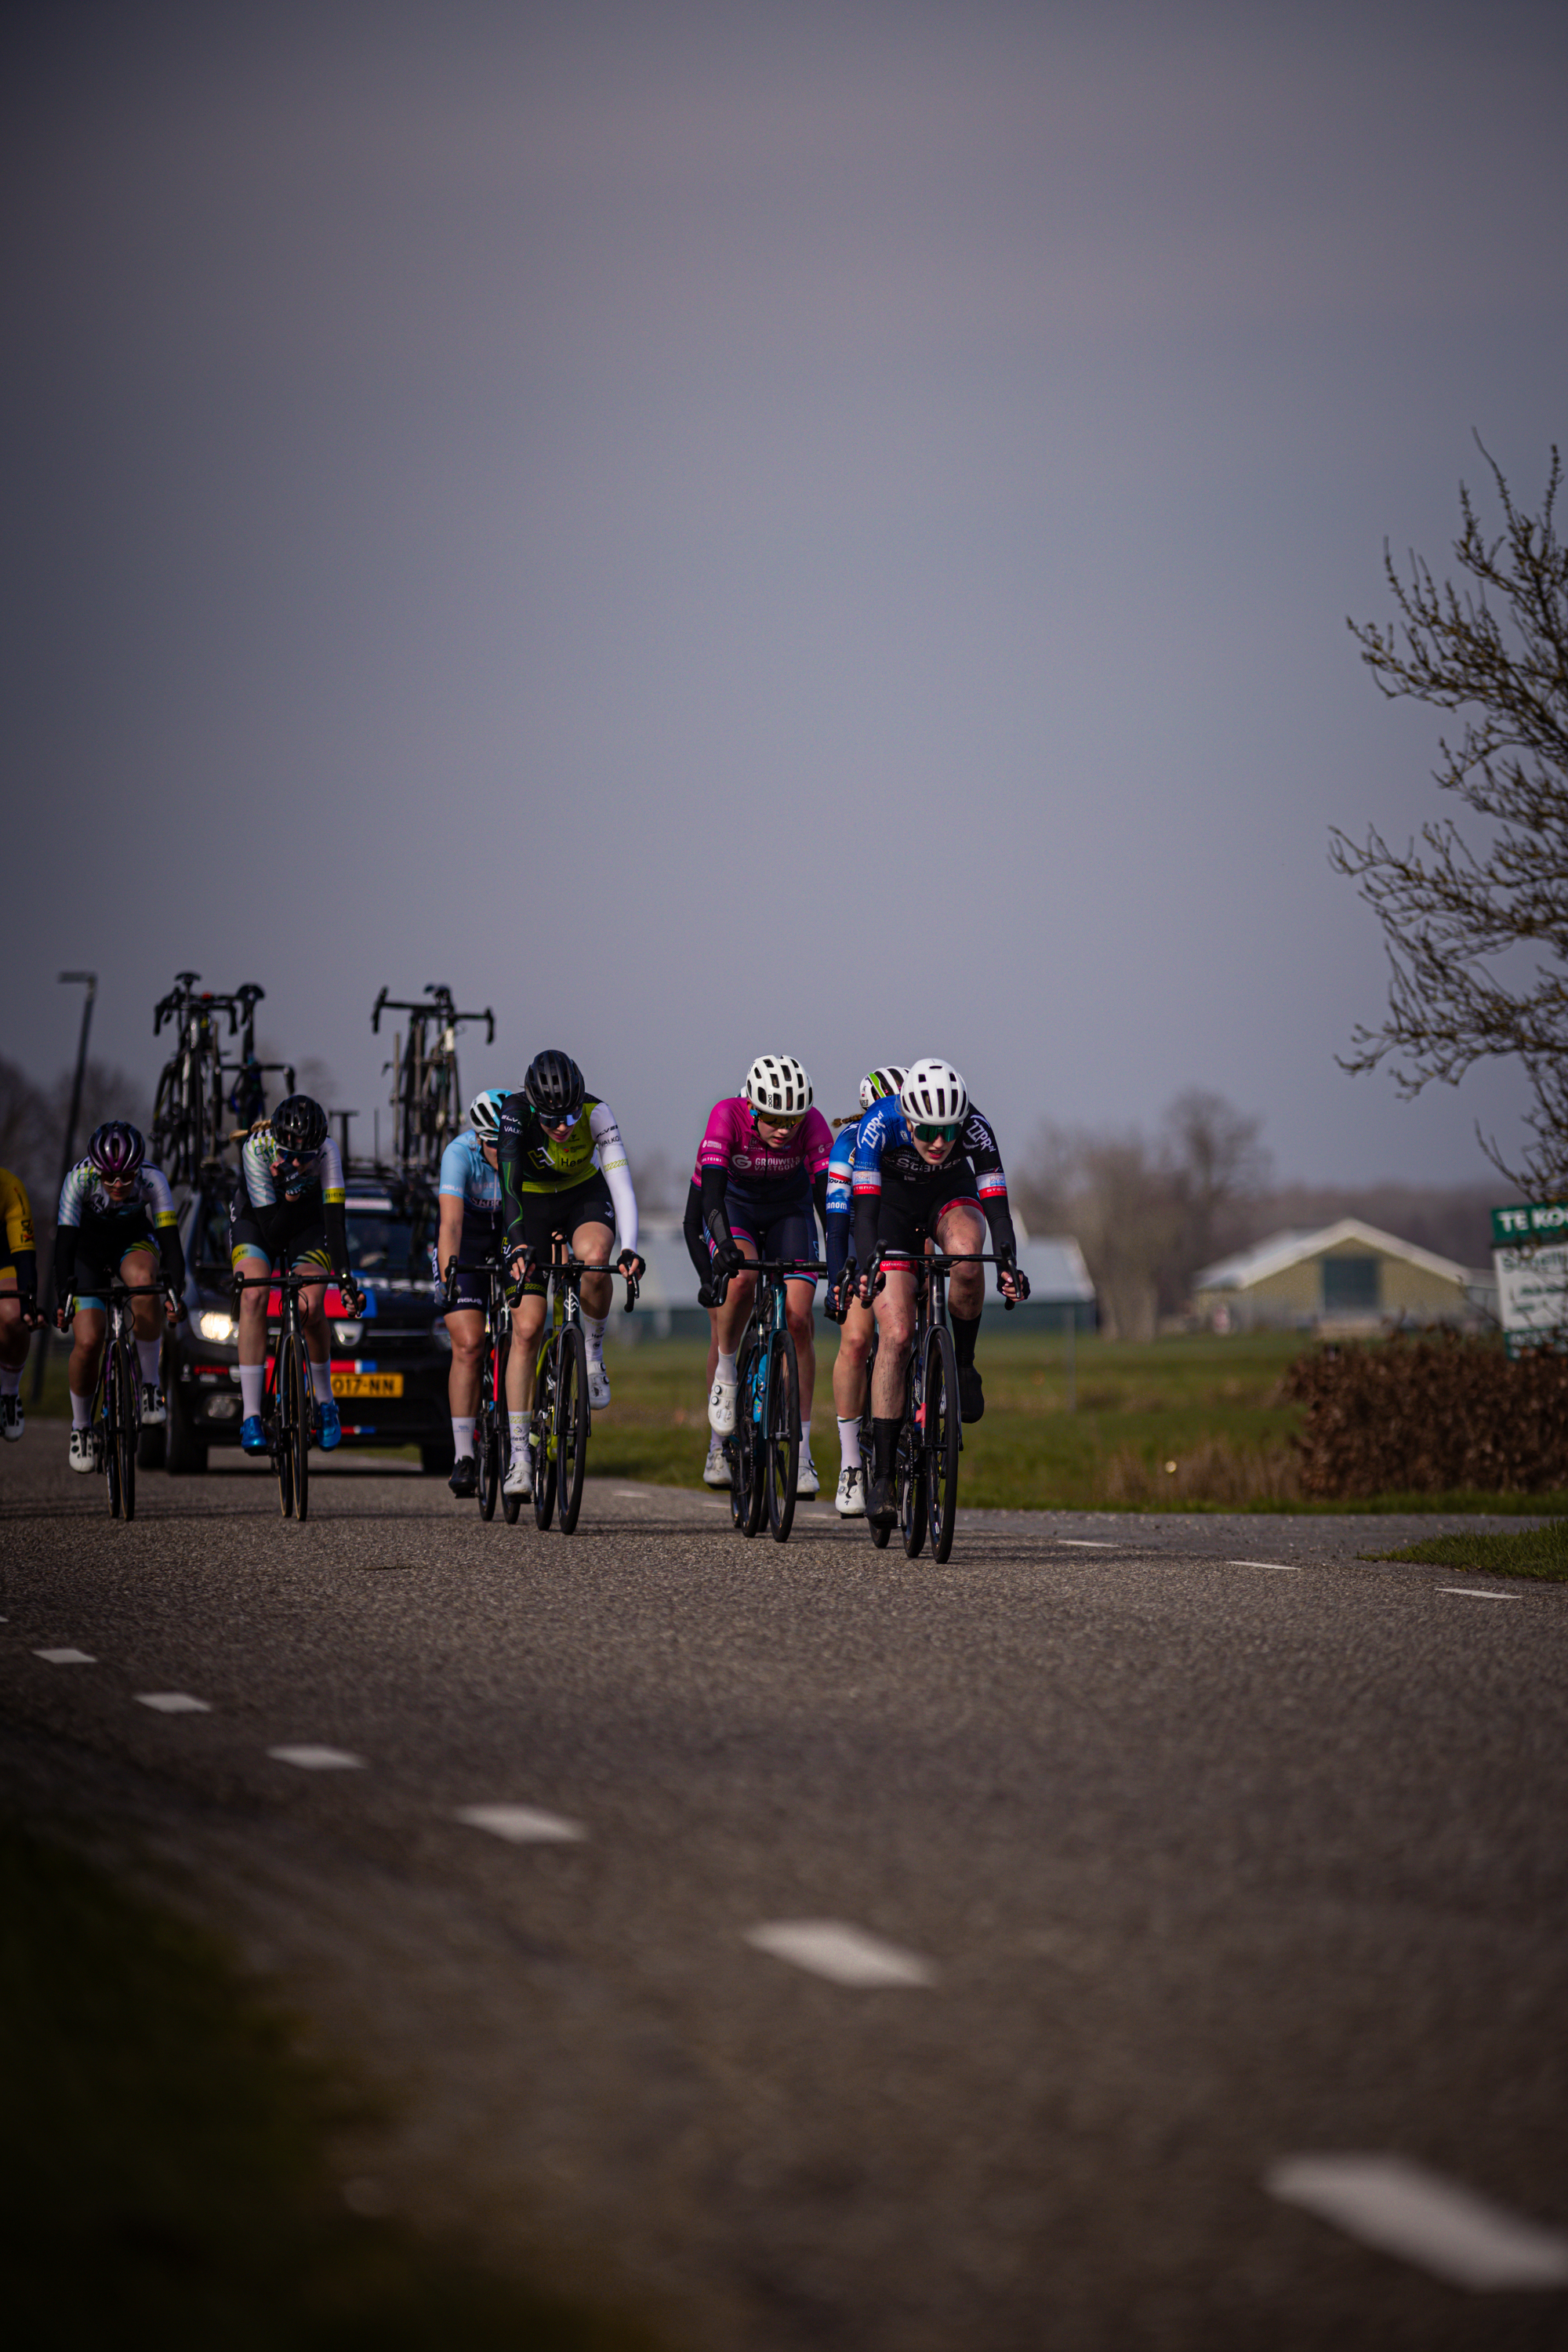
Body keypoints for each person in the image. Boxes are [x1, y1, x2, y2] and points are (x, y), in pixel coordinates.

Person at [848, 1058, 1028, 1527]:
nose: (940, 1142)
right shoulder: (878, 1124)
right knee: (898, 1333)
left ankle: (963, 1366)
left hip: (949, 1196)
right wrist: (869, 1263)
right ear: (907, 1118)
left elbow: (997, 1205)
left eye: (948, 1132)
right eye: (927, 1131)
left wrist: (1008, 1260)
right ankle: (884, 1477)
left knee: (968, 1258)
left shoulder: (975, 1126)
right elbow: (864, 1214)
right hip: (890, 1208)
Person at [497, 1051, 643, 1498]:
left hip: (583, 1193)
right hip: (531, 1203)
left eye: (568, 1116)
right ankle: (520, 1455)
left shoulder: (597, 1113)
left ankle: (593, 1353)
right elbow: (508, 1186)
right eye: (550, 1119)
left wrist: (631, 1247)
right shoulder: (515, 1114)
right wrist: (519, 1240)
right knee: (526, 1328)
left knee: (597, 1258)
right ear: (532, 1106)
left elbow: (620, 1183)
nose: (561, 1127)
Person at [695, 1054, 833, 1498]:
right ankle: (729, 1373)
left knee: (798, 1320)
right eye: (773, 1118)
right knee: (742, 1281)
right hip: (736, 1209)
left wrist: (842, 1255)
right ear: (752, 1108)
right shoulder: (726, 1116)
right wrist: (722, 1246)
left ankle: (803, 1450)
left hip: (789, 1213)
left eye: (792, 1119)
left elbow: (826, 1202)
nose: (784, 1128)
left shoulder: (811, 1126)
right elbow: (709, 1197)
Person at [230, 1094, 364, 1457]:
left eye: (304, 1159)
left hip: (308, 1223)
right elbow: (272, 1234)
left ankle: (325, 1402)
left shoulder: (327, 1152)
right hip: (258, 1220)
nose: (294, 1163)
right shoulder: (257, 1150)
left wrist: (347, 1279)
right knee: (254, 1295)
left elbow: (335, 1224)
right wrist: (289, 1195)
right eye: (288, 1154)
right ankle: (252, 1415)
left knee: (311, 1303)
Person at [53, 1123, 187, 1471]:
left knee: (145, 1281)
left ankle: (148, 1385)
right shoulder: (78, 1179)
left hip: (132, 1241)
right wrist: (62, 1297)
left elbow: (171, 1243)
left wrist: (175, 1292)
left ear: (138, 1168)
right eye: (109, 1177)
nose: (117, 1185)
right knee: (89, 1340)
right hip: (87, 1250)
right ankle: (81, 1426)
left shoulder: (153, 1180)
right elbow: (65, 1246)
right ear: (96, 1169)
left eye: (126, 1177)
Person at [821, 1066, 905, 1515]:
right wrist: (839, 1280)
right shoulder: (851, 1144)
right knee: (856, 1340)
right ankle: (852, 1461)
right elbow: (836, 1226)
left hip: (902, 1233)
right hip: (858, 1233)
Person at [435, 1087, 510, 1498]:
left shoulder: (522, 1149)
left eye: (506, 1143)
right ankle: (463, 1454)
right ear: (479, 1138)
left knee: (524, 1331)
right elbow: (450, 1226)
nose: (500, 1152)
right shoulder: (458, 1154)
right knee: (467, 1344)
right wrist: (450, 1274)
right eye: (492, 1144)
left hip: (509, 1232)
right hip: (468, 1237)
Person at [683, 1172, 728, 1487]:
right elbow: (691, 1222)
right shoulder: (716, 1147)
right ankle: (717, 1447)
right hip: (727, 1228)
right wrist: (705, 1278)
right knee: (721, 1322)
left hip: (779, 1219)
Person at [0, 1165, 42, 1440]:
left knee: (14, 1314)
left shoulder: (9, 1187)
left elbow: (25, 1258)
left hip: (2, 1254)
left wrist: (29, 1306)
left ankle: (9, 1392)